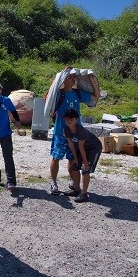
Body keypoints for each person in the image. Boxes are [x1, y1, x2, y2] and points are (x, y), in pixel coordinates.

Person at [49, 67, 100, 196]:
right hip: (60, 132)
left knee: (72, 159)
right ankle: (54, 183)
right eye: (70, 77)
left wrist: (92, 80)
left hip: (75, 133)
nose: (73, 79)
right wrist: (59, 76)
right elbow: (50, 94)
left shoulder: (78, 93)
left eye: (74, 77)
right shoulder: (58, 93)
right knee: (56, 157)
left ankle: (73, 182)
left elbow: (96, 96)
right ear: (63, 80)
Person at [62, 109, 103, 203]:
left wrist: (84, 161)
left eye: (71, 119)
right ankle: (76, 190)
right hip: (81, 149)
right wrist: (75, 158)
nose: (68, 121)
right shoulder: (66, 128)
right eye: (66, 119)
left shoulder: (80, 130)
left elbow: (81, 147)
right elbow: (71, 144)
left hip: (93, 148)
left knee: (85, 170)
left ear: (76, 120)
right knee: (75, 167)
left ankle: (84, 194)